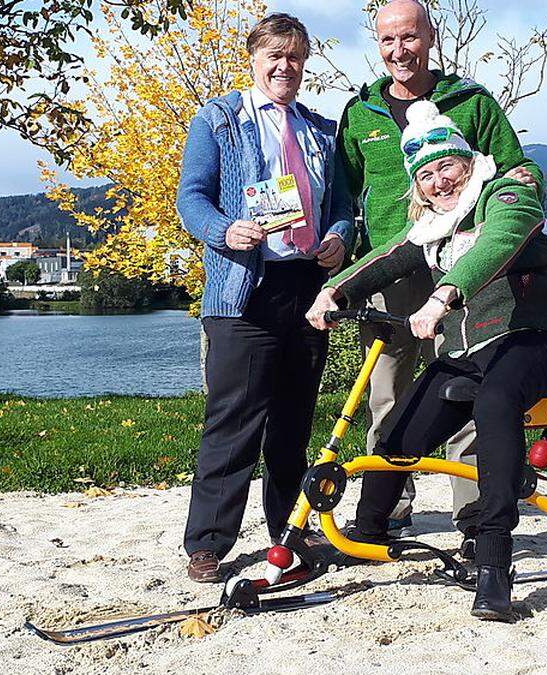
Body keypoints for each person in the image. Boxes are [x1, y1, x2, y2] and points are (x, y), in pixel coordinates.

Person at [307, 101, 547, 620]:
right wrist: (332, 293)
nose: (438, 182)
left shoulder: (507, 194)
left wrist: (443, 296)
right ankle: (369, 528)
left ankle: (495, 556)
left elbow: (498, 243)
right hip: (468, 350)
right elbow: (385, 259)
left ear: (469, 162)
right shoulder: (434, 225)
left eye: (446, 167)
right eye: (426, 175)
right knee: (398, 432)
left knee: (496, 404)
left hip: (534, 336)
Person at [336, 0, 543, 549]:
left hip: (468, 265)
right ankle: (388, 509)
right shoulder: (360, 113)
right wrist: (343, 260)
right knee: (388, 393)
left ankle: (473, 514)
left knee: (469, 383)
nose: (398, 51)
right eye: (387, 41)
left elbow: (513, 164)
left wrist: (529, 178)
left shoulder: (471, 101)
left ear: (430, 37)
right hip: (395, 266)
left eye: (409, 38)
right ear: (377, 45)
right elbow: (344, 190)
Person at [176, 13, 354, 583]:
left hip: (305, 289)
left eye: (296, 57)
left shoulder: (322, 130)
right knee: (233, 420)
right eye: (275, 55)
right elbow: (192, 197)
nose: (286, 66)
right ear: (253, 58)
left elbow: (344, 208)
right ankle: (208, 543)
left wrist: (339, 239)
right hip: (242, 290)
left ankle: (290, 530)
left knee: (295, 421)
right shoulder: (218, 119)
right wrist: (223, 231)